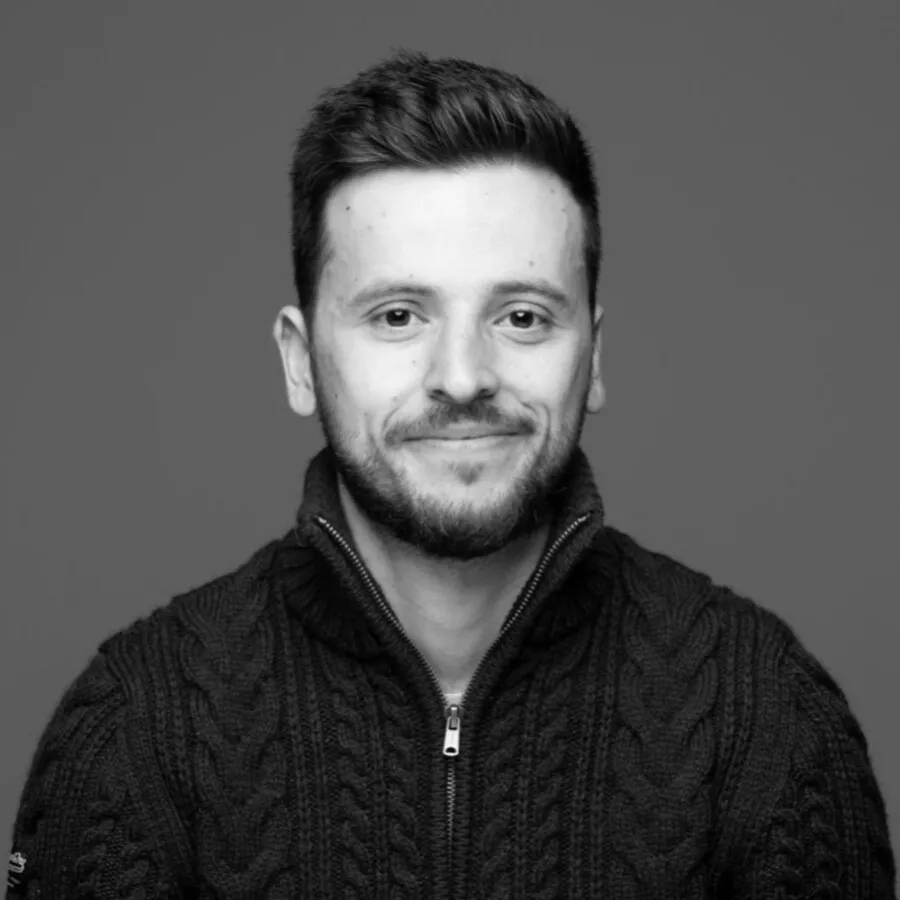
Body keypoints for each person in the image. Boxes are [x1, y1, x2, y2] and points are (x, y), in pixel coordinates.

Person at [6, 49, 896, 900]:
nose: (464, 377)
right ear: (300, 361)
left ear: (592, 356)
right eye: (398, 315)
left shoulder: (767, 713)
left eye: (522, 316)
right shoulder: (136, 725)